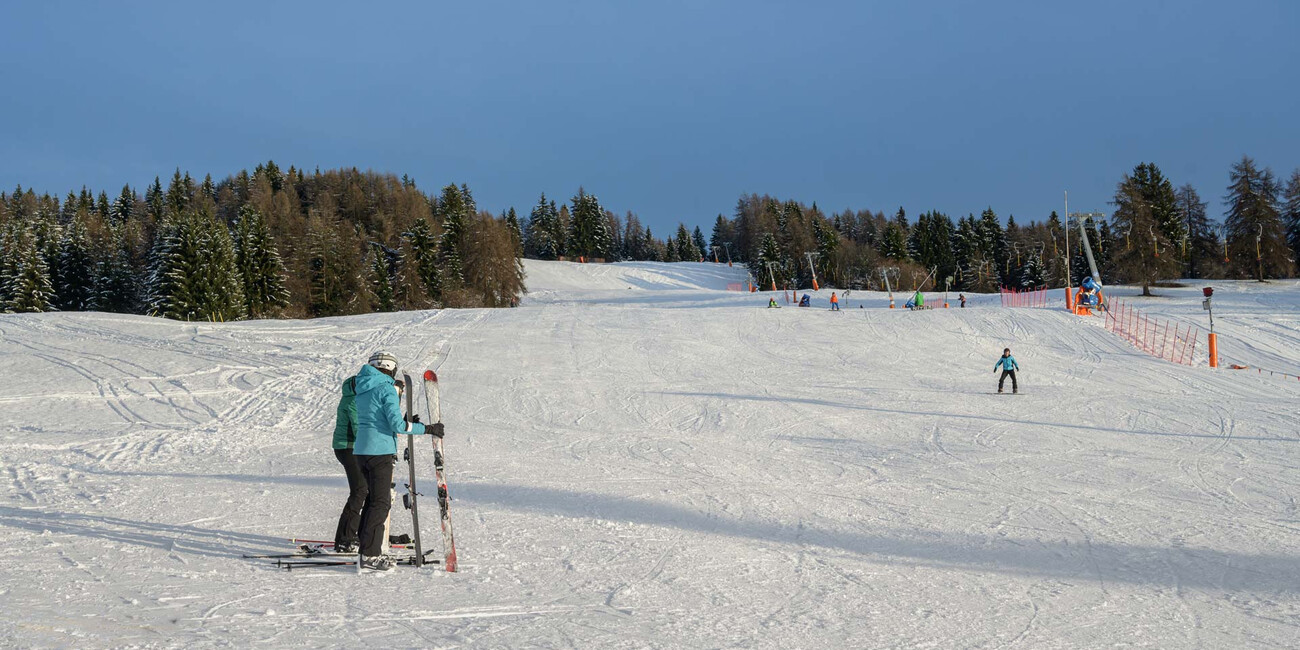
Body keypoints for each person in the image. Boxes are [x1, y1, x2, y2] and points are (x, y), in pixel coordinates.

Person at [352, 351, 443, 570]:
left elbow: (379, 418)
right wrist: (428, 429)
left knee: (372, 500)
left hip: (361, 451)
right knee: (380, 503)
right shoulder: (386, 388)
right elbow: (397, 427)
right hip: (379, 451)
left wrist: (405, 421)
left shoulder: (362, 386)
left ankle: (366, 550)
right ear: (390, 368)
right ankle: (371, 556)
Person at [331, 371, 364, 554]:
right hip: (348, 447)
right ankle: (345, 539)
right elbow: (359, 427)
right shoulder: (353, 401)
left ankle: (355, 534)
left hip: (351, 447)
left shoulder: (354, 398)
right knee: (359, 490)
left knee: (363, 490)